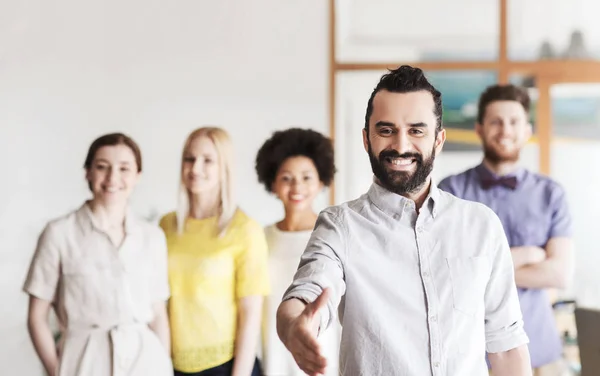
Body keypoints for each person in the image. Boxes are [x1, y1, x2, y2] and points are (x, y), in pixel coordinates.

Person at [275, 65, 533, 376]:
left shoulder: (481, 225)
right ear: (366, 139)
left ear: (438, 140)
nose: (400, 145)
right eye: (386, 130)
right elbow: (307, 290)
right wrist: (293, 327)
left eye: (416, 130)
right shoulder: (339, 226)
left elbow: (506, 345)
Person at [438, 84, 574, 376]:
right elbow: (448, 273)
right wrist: (528, 254)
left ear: (527, 130)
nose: (505, 130)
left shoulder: (552, 194)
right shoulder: (451, 192)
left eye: (514, 122)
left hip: (539, 351)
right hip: (469, 354)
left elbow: (559, 274)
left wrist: (481, 270)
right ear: (479, 128)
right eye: (496, 122)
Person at [23, 132, 173, 376]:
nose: (113, 178)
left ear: (137, 176)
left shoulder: (152, 237)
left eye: (124, 168)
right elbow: (36, 317)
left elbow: (158, 314)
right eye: (102, 167)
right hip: (84, 359)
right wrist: (57, 370)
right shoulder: (59, 233)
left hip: (145, 361)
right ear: (88, 172)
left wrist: (163, 364)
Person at [159, 127, 270, 376]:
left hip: (227, 366)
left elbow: (250, 314)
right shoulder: (165, 226)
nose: (195, 168)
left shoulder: (244, 229)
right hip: (172, 365)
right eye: (189, 159)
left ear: (224, 168)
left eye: (207, 160)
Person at [255, 127, 340, 376]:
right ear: (273, 184)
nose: (296, 187)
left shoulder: (332, 233)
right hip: (272, 349)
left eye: (306, 177)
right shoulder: (260, 237)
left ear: (321, 181)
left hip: (321, 350)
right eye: (286, 178)